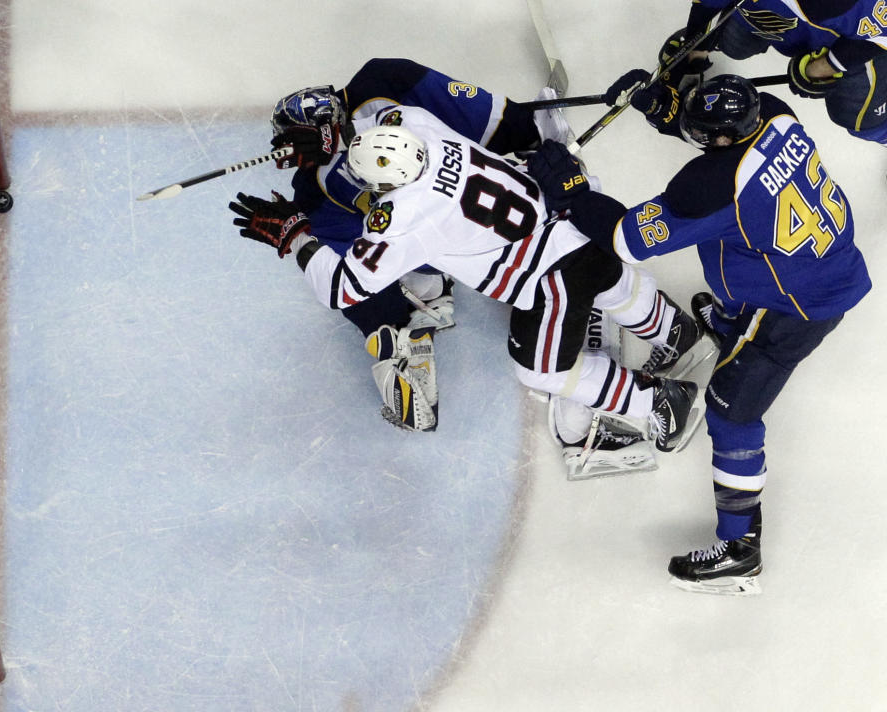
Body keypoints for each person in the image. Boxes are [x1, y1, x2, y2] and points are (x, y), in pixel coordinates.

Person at [544, 71, 871, 594]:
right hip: (823, 261)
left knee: (729, 410)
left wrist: (573, 191)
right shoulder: (774, 112)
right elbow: (729, 144)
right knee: (741, 254)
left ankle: (741, 551)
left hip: (797, 307)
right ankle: (732, 325)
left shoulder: (711, 187)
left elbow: (626, 240)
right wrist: (664, 109)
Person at [228, 104, 705, 456]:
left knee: (541, 372)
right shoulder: (416, 125)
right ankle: (673, 328)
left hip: (549, 279)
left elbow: (341, 288)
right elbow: (378, 116)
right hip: (571, 222)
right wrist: (339, 136)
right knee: (612, 279)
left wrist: (294, 236)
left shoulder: (405, 219)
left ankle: (660, 401)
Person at [266, 58, 577, 432]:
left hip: (532, 218)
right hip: (479, 236)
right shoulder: (313, 182)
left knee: (316, 232)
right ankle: (409, 314)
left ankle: (416, 305)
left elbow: (509, 128)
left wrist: (554, 164)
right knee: (313, 217)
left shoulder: (386, 83)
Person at [678, 0, 887, 144]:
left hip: (865, 40)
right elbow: (708, 6)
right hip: (805, 21)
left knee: (861, 119)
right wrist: (696, 51)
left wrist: (827, 64)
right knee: (732, 41)